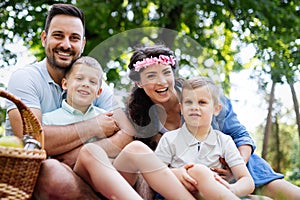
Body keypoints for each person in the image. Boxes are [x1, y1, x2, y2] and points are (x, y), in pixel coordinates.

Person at [126, 44, 300, 199]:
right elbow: (149, 164)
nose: (161, 81)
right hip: (189, 180)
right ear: (139, 82)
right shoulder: (139, 117)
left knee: (290, 195)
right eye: (151, 76)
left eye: (166, 72)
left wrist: (234, 167)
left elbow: (240, 135)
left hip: (239, 167)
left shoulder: (205, 95)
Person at [5, 4, 134, 199]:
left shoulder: (93, 83)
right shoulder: (25, 78)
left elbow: (128, 132)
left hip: (87, 169)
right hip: (33, 176)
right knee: (52, 172)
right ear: (44, 38)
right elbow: (33, 137)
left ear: (82, 44)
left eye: (74, 38)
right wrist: (94, 126)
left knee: (135, 159)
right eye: (58, 35)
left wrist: (81, 154)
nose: (66, 44)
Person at [42, 55, 196, 199]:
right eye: (79, 78)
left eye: (92, 82)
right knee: (90, 151)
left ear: (99, 92)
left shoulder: (107, 116)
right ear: (65, 84)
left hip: (112, 176)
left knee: (137, 148)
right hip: (78, 176)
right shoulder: (49, 119)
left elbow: (127, 137)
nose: (85, 84)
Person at [155, 76, 255, 198]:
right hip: (180, 196)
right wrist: (176, 173)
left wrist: (233, 190)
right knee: (199, 171)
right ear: (181, 108)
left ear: (216, 109)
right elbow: (155, 173)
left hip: (216, 196)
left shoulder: (224, 141)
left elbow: (247, 181)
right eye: (188, 102)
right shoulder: (169, 139)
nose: (194, 107)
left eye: (202, 102)